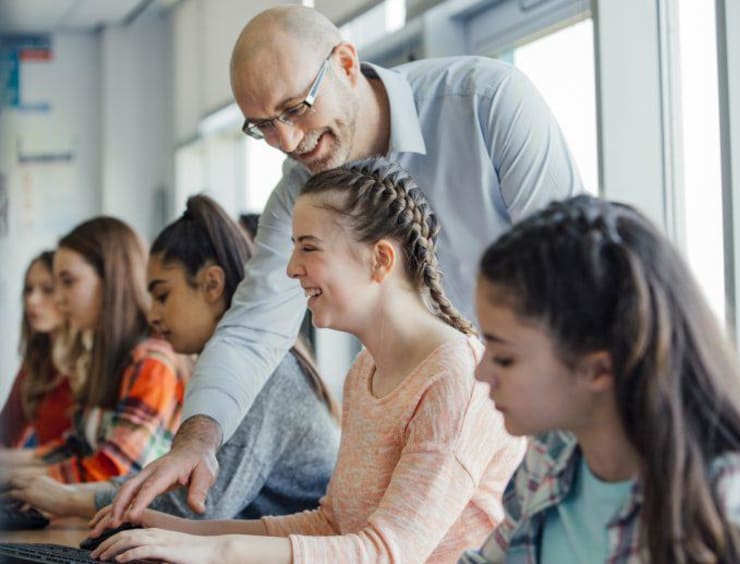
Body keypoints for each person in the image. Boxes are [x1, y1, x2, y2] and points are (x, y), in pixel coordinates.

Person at [111, 5, 580, 521]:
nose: (286, 142)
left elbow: (569, 282)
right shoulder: (298, 189)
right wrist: (195, 442)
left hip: (546, 420)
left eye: (295, 108)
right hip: (442, 448)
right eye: (263, 126)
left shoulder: (487, 103)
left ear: (347, 64)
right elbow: (252, 329)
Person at [88, 158, 525, 563]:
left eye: (309, 248)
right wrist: (179, 532)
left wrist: (216, 551)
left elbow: (388, 554)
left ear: (381, 260)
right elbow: (331, 524)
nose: (291, 268)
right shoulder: (365, 371)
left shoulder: (458, 378)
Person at [8, 195, 340, 521]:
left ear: (211, 285)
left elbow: (199, 506)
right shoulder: (221, 373)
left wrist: (72, 499)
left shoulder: (265, 375)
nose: (153, 315)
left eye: (162, 295)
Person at [460, 195, 740, 563]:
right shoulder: (551, 455)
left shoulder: (729, 504)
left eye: (504, 358)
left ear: (598, 370)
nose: (481, 372)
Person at [1, 217, 185, 485]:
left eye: (68, 282)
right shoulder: (110, 357)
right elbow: (74, 448)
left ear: (111, 280)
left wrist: (18, 482)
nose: (60, 298)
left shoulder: (151, 362)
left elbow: (114, 468)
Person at [1, 251, 76, 448]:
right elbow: (5, 434)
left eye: (47, 289)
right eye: (28, 289)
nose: (32, 300)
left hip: (71, 475)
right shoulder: (36, 362)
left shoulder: (89, 365)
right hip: (38, 470)